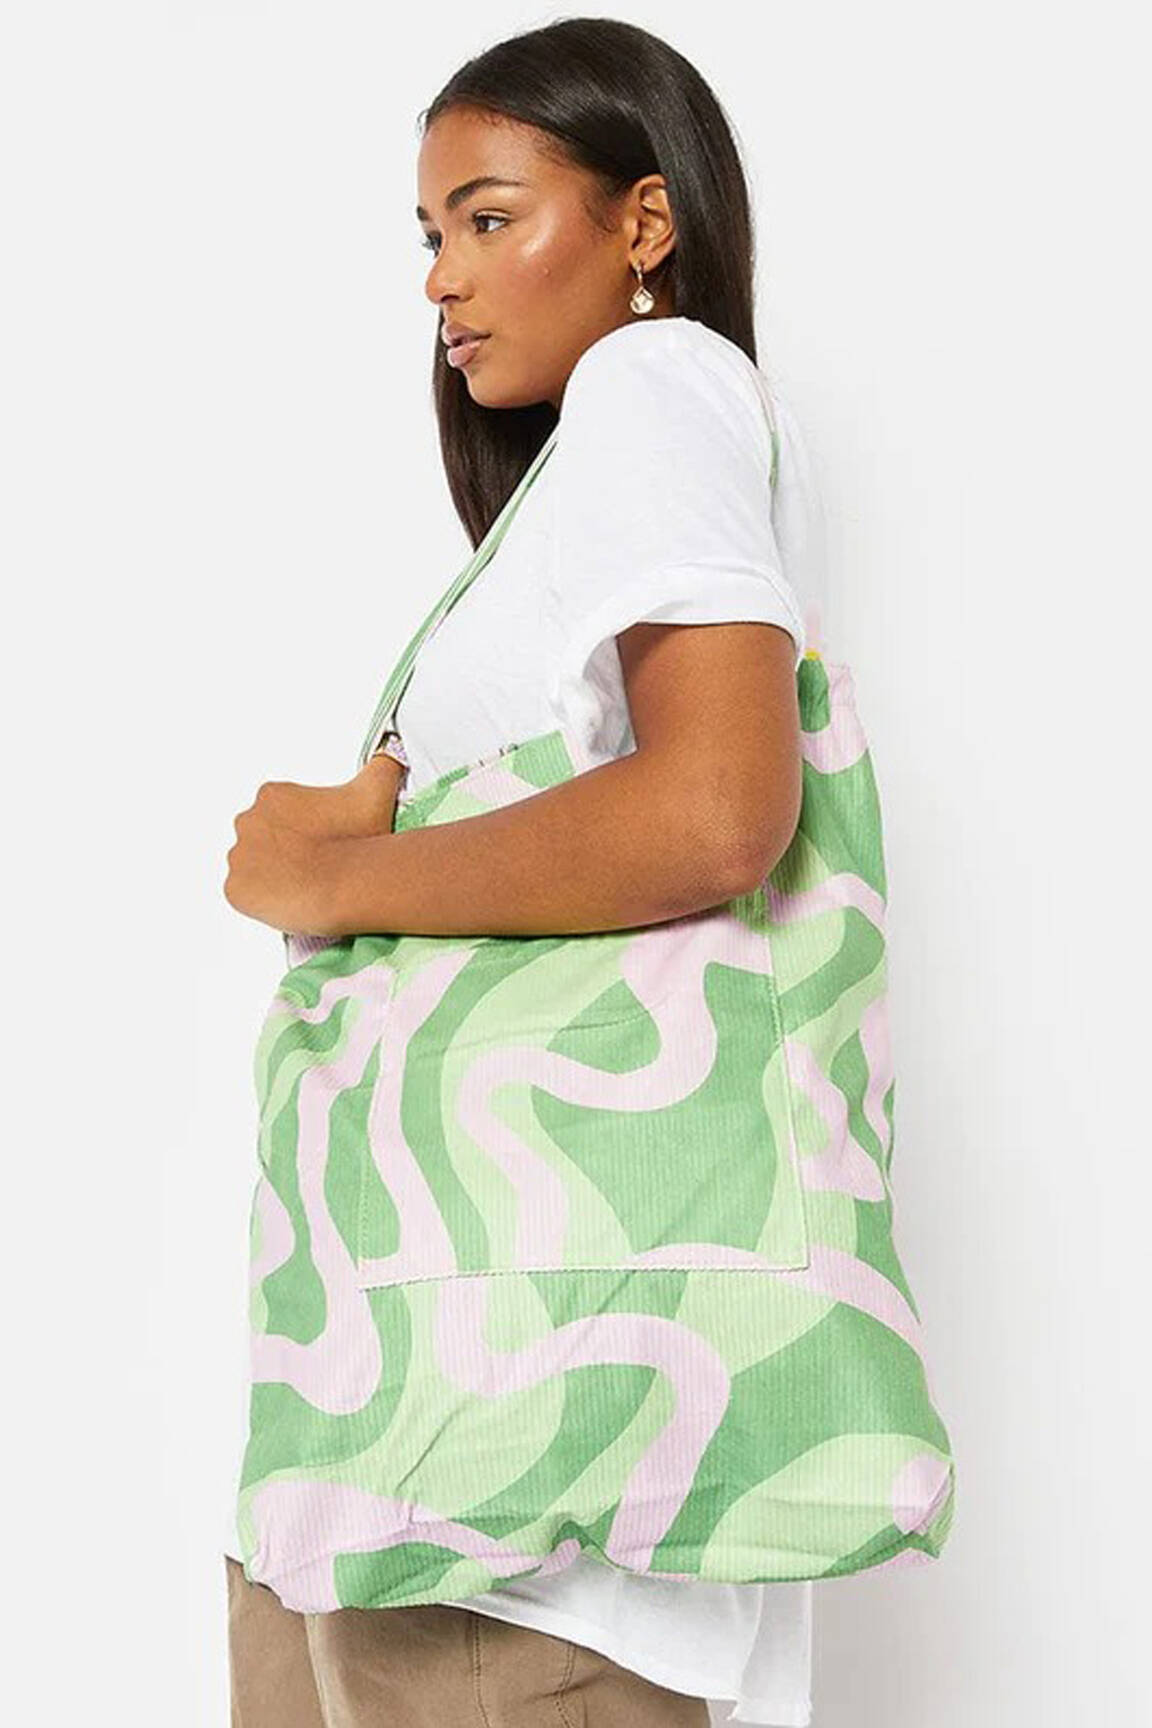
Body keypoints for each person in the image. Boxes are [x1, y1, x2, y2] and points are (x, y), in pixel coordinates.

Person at [223, 18, 829, 1726]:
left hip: (516, 1494)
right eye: (432, 234)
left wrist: (338, 883)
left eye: (490, 219)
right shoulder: (570, 485)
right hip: (383, 1450)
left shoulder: (658, 383)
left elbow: (718, 808)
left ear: (645, 223)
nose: (445, 276)